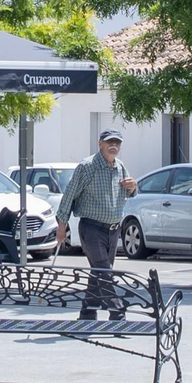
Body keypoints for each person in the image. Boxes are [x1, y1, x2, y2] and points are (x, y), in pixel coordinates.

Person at [55, 129, 138, 321]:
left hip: (113, 230)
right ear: (99, 143)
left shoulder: (120, 167)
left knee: (98, 273)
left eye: (117, 143)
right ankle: (118, 313)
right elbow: (69, 196)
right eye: (110, 142)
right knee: (103, 271)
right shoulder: (87, 167)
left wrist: (133, 187)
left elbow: (129, 192)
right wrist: (62, 226)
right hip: (91, 228)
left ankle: (87, 313)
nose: (114, 146)